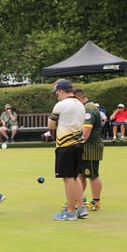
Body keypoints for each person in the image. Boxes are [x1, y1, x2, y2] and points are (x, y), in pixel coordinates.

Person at [49, 79, 85, 221]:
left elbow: (51, 125)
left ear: (62, 91)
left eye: (57, 91)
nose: (57, 94)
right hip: (79, 144)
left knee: (68, 178)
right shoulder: (80, 104)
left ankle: (70, 211)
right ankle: (81, 208)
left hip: (65, 145)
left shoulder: (60, 105)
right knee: (76, 176)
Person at [74, 88, 104, 212]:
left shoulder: (88, 109)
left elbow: (86, 130)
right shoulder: (86, 107)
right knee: (81, 175)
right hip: (85, 147)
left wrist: (78, 143)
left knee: (92, 175)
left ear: (78, 98)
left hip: (90, 147)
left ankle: (96, 201)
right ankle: (80, 199)